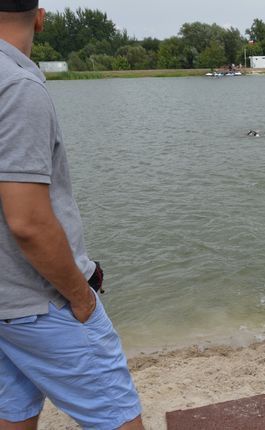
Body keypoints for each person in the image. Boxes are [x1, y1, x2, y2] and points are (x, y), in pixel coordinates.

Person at [0, 2, 144, 428]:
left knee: (13, 414)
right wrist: (80, 295)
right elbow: (27, 222)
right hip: (38, 302)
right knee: (118, 419)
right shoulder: (18, 87)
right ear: (40, 18)